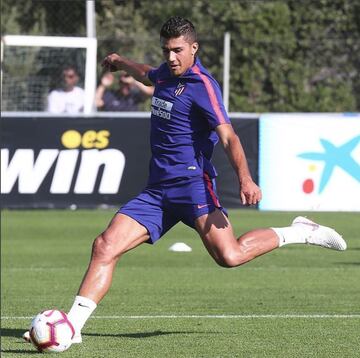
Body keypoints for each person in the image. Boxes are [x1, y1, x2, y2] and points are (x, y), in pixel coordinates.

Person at [34, 16, 347, 344]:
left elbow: (228, 137)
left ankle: (299, 231)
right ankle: (71, 328)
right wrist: (121, 62)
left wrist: (246, 179)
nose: (171, 57)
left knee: (231, 256)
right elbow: (147, 73)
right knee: (104, 246)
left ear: (194, 48)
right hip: (157, 190)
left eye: (178, 50)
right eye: (167, 50)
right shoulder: (167, 73)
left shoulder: (203, 85)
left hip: (193, 186)